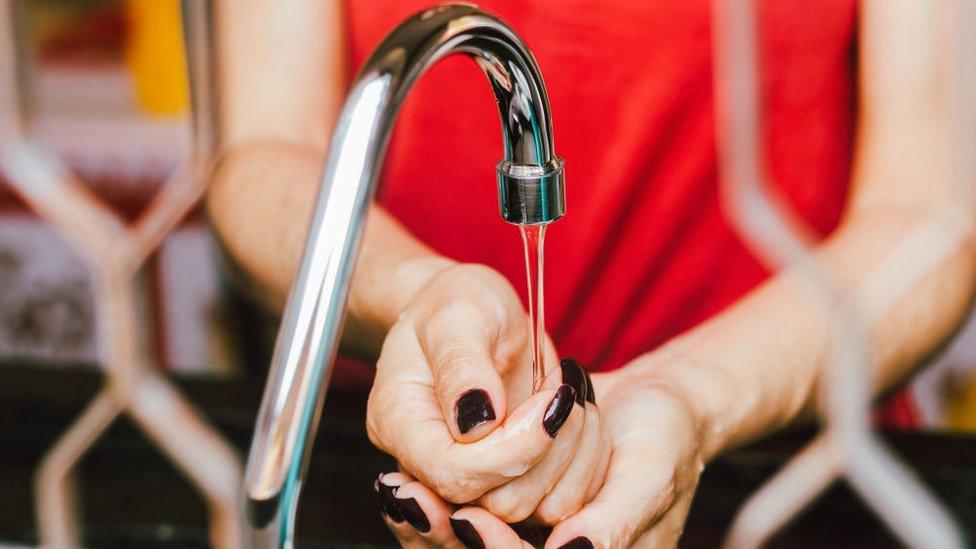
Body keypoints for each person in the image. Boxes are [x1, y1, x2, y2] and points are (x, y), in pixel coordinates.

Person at [208, 0, 976, 546]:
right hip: (412, 452)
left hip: (784, 476)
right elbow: (268, 149)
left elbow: (926, 216)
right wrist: (416, 294)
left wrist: (690, 393)